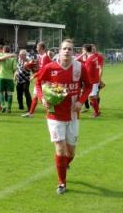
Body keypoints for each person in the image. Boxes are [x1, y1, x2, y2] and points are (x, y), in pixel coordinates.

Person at [35, 39, 92, 195]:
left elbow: (88, 86)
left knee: (71, 153)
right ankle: (62, 183)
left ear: (74, 52)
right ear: (59, 51)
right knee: (60, 149)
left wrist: (81, 101)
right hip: (54, 115)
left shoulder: (80, 67)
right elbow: (38, 84)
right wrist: (42, 99)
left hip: (73, 115)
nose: (67, 51)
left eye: (70, 49)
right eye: (64, 48)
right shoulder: (50, 67)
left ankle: (63, 165)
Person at [23, 42, 52, 117]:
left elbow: (43, 70)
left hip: (44, 80)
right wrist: (31, 65)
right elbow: (39, 67)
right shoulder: (41, 56)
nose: (36, 49)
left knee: (42, 97)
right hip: (40, 79)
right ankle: (31, 113)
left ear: (42, 48)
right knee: (35, 96)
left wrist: (34, 75)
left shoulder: (45, 57)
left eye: (37, 47)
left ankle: (50, 112)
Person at [0, 45, 17, 113]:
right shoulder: (13, 58)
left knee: (1, 92)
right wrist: (10, 55)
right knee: (10, 93)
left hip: (1, 77)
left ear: (4, 50)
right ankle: (9, 108)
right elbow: (14, 69)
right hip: (10, 78)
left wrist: (3, 55)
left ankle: (3, 106)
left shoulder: (1, 55)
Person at [84, 44, 104, 118]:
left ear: (85, 50)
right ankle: (97, 111)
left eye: (83, 50)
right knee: (93, 96)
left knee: (92, 97)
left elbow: (87, 71)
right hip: (95, 79)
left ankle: (96, 113)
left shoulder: (90, 59)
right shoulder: (94, 57)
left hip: (91, 80)